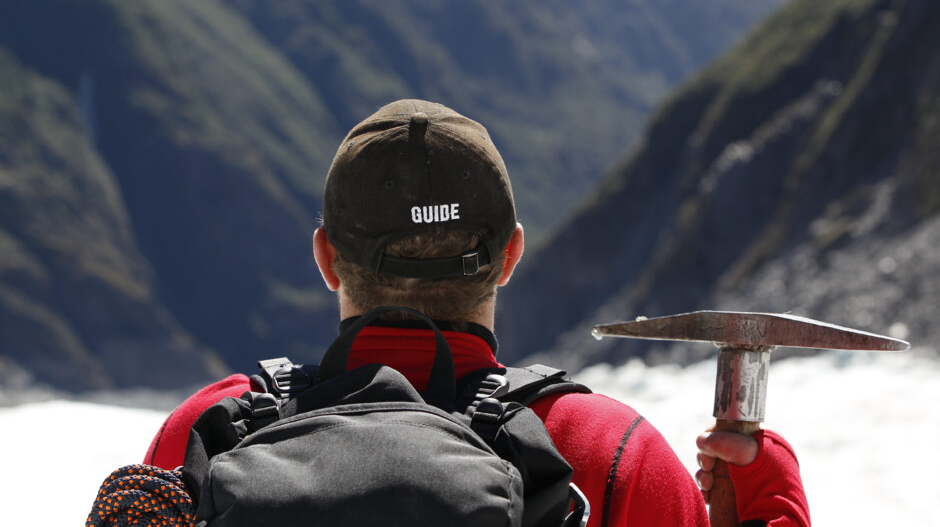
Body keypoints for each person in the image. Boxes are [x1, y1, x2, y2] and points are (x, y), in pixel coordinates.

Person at [144, 99, 810, 526]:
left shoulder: (209, 433)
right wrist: (771, 504)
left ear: (325, 257)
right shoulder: (610, 455)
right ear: (512, 254)